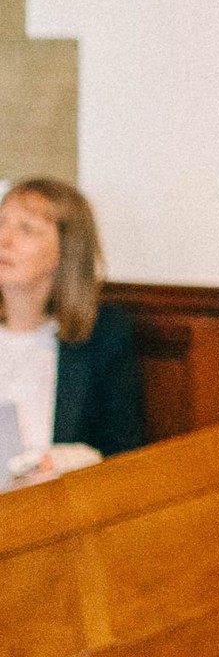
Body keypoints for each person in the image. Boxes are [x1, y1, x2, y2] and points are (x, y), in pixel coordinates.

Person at [0, 177, 147, 475]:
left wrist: (67, 460)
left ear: (65, 252)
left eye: (26, 229)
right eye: (1, 222)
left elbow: (123, 454)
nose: (4, 239)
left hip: (59, 510)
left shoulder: (104, 337)